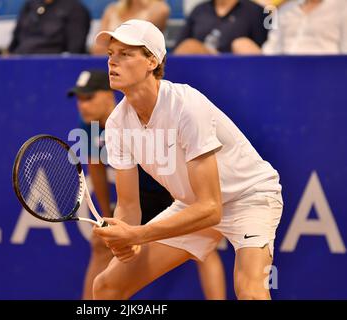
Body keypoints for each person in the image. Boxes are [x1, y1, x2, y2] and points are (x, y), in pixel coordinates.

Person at [92, 19, 283, 300]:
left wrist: (137, 235)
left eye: (125, 54)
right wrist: (123, 234)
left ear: (152, 61)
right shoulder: (117, 125)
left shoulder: (186, 106)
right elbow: (128, 206)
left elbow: (211, 209)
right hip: (192, 205)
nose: (112, 62)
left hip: (249, 198)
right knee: (107, 287)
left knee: (251, 292)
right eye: (111, 54)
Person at [68, 70, 226, 300]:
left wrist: (183, 207)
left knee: (202, 249)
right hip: (137, 197)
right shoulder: (88, 127)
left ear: (107, 95)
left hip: (171, 191)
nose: (83, 106)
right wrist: (104, 214)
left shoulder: (133, 117)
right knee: (101, 245)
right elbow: (97, 172)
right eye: (79, 99)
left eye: (89, 97)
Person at [232, 0, 347, 55]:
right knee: (241, 44)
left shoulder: (342, 8)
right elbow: (271, 50)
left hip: (325, 73)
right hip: (284, 73)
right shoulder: (286, 9)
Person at [173, 0, 268, 55]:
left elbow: (263, 50)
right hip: (202, 67)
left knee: (243, 45)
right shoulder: (199, 10)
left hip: (237, 69)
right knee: (190, 46)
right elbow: (180, 48)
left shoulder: (254, 11)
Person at [9, 0, 90, 54]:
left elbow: (75, 51)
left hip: (53, 66)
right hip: (20, 64)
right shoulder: (29, 6)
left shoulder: (75, 9)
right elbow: (14, 44)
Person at [91, 0, 170, 55]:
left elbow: (138, 47)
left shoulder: (159, 9)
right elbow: (97, 49)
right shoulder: (111, 9)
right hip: (105, 63)